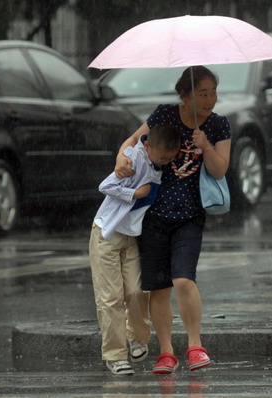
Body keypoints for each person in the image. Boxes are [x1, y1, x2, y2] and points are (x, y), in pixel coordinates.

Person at [114, 66, 231, 374]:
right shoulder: (164, 115)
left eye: (213, 93)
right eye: (203, 93)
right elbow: (132, 141)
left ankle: (195, 345)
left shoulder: (219, 125)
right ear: (185, 95)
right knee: (158, 288)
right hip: (153, 216)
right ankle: (166, 352)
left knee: (183, 279)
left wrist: (204, 145)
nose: (210, 100)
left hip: (190, 217)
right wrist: (121, 158)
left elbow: (220, 170)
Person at [89, 124, 180, 375]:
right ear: (147, 146)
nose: (165, 161)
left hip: (131, 237)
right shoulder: (134, 158)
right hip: (107, 233)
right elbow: (105, 186)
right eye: (162, 157)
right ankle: (115, 355)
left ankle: (137, 337)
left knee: (138, 290)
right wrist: (134, 193)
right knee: (110, 297)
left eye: (170, 158)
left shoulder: (160, 165)